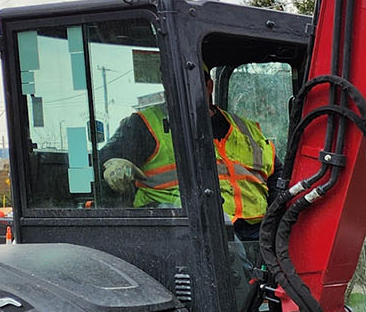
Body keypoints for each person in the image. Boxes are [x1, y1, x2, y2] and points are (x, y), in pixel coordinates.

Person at [99, 71, 275, 231]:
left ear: (209, 86)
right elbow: (107, 158)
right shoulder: (144, 124)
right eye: (174, 84)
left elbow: (277, 174)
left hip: (256, 233)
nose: (181, 92)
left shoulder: (246, 128)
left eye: (189, 85)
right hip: (181, 230)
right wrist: (112, 163)